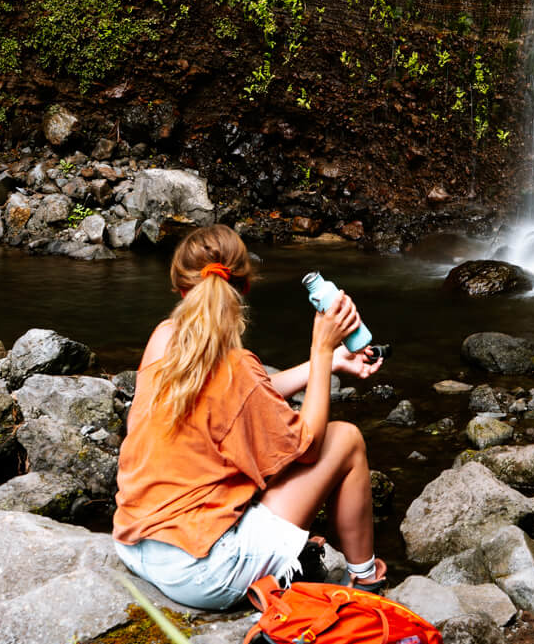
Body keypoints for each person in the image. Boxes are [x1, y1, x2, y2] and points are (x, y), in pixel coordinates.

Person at [112, 222, 384, 611]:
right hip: (200, 572)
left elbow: (246, 399)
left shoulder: (163, 337)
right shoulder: (236, 366)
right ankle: (366, 579)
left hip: (134, 542)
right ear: (246, 287)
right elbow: (307, 446)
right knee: (346, 439)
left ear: (179, 289)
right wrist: (322, 349)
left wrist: (329, 363)